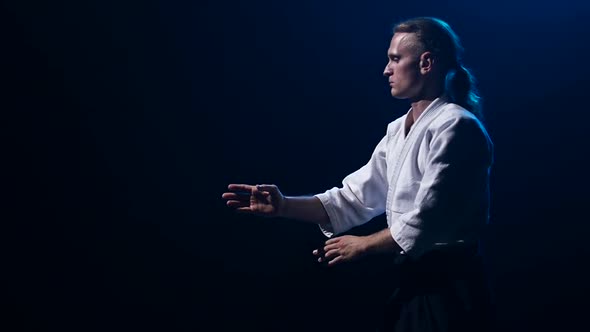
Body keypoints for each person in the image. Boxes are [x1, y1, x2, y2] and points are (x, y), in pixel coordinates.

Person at [222, 17, 494, 332]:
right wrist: (284, 205)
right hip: (412, 281)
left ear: (426, 63)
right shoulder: (397, 131)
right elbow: (352, 198)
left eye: (395, 59)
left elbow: (429, 218)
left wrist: (362, 245)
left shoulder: (457, 125)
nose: (386, 70)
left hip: (451, 287)